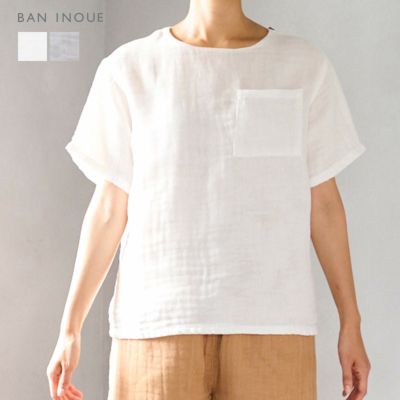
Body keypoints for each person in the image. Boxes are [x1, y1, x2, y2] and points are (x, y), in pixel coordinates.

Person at [46, 1, 371, 399]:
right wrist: (70, 328)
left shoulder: (304, 66)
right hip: (157, 322)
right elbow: (110, 207)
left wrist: (351, 322)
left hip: (274, 323)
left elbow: (324, 205)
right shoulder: (129, 68)